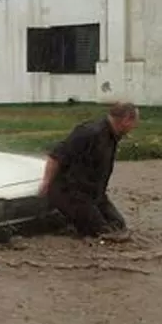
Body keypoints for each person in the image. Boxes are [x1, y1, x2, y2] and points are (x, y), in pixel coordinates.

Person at [38, 101, 139, 239]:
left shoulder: (112, 136)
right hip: (71, 193)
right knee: (102, 233)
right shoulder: (89, 133)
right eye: (135, 122)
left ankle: (71, 224)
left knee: (118, 225)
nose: (135, 126)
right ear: (126, 119)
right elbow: (55, 156)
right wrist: (46, 183)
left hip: (94, 195)